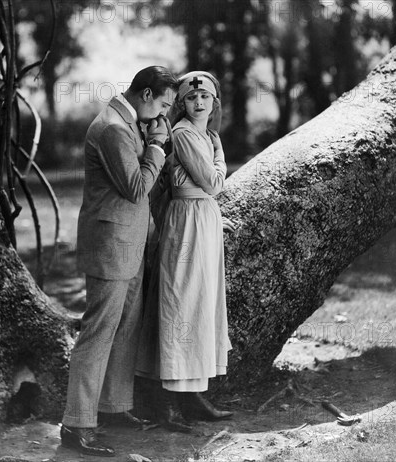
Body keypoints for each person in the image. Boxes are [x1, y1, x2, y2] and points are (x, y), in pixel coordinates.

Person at [59, 66, 178, 458]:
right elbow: (135, 187)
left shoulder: (130, 123)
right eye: (163, 104)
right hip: (110, 246)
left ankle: (113, 407)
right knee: (98, 332)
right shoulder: (112, 128)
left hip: (129, 244)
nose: (164, 115)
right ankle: (76, 424)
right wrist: (158, 148)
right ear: (145, 95)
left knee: (125, 327)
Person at [136, 71, 234, 432]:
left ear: (214, 102)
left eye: (205, 97)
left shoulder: (206, 134)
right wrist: (220, 159)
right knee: (181, 299)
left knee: (201, 301)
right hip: (187, 220)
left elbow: (208, 185)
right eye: (191, 98)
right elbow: (213, 182)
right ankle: (167, 399)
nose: (198, 102)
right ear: (182, 103)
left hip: (203, 219)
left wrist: (213, 162)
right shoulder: (184, 134)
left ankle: (192, 394)